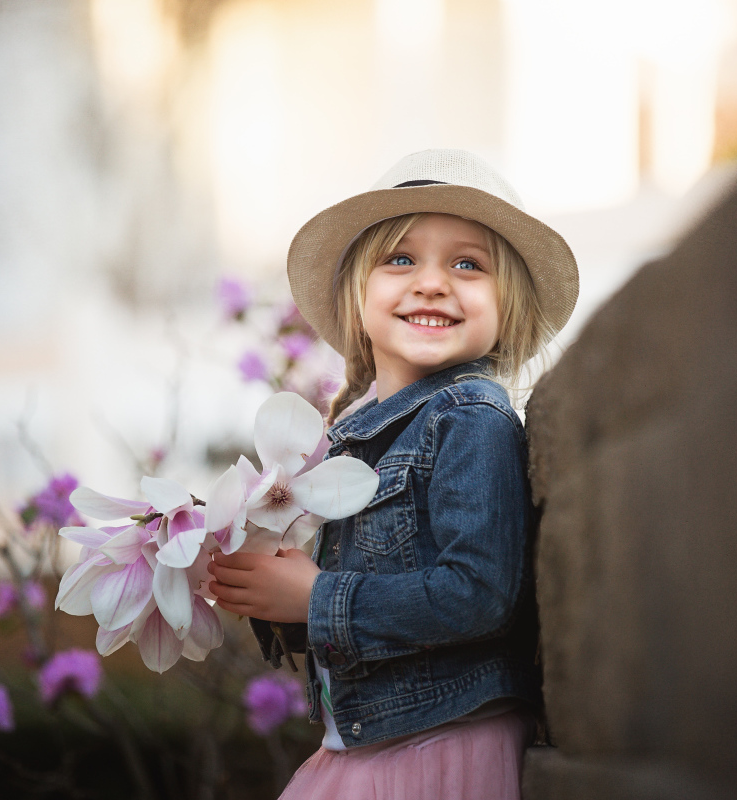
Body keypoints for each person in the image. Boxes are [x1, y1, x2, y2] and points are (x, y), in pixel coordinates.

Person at [206, 149, 580, 800]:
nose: (432, 283)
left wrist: (317, 599)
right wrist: (272, 591)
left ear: (508, 308)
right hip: (375, 746)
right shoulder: (355, 435)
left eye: (468, 264)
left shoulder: (471, 420)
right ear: (358, 298)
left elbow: (480, 594)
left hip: (442, 746)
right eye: (401, 259)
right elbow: (375, 583)